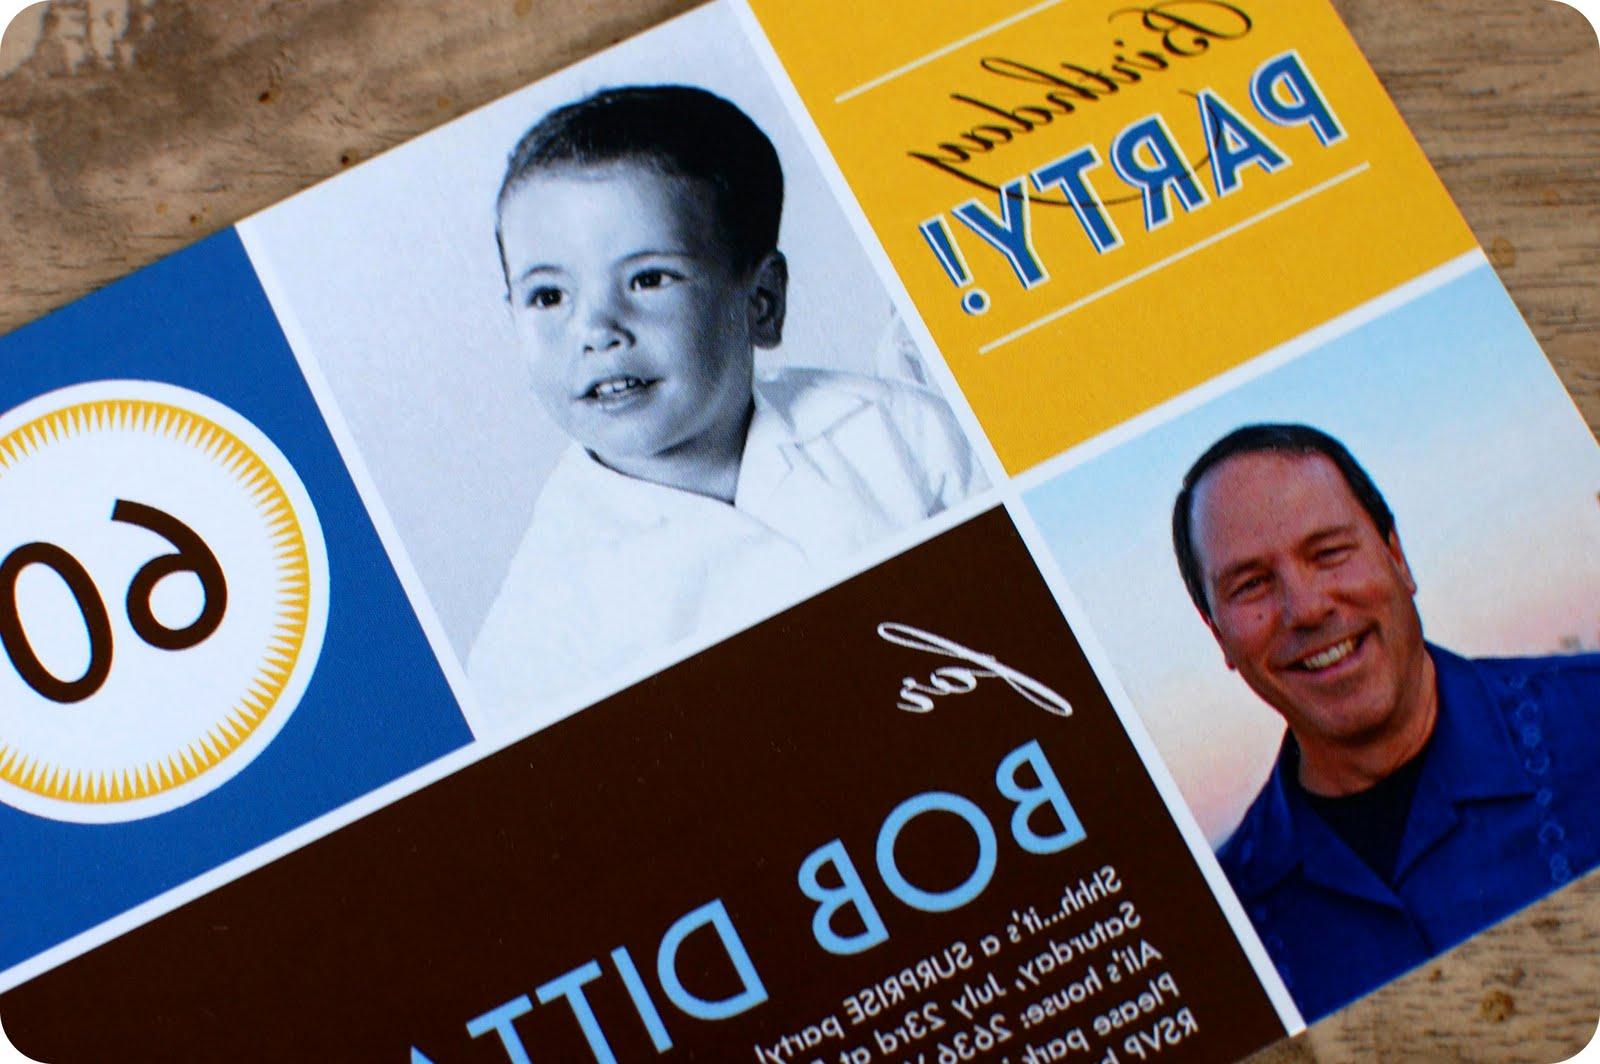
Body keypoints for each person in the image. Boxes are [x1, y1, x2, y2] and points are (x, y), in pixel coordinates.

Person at [468, 85, 984, 728]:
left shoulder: (897, 433)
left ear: (760, 301)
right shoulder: (538, 639)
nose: (596, 328)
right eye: (548, 297)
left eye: (648, 279)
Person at [1170, 423, 1600, 1021]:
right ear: (1218, 634)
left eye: (1328, 553)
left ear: (1397, 557)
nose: (1307, 607)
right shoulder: (1226, 926)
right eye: (1252, 585)